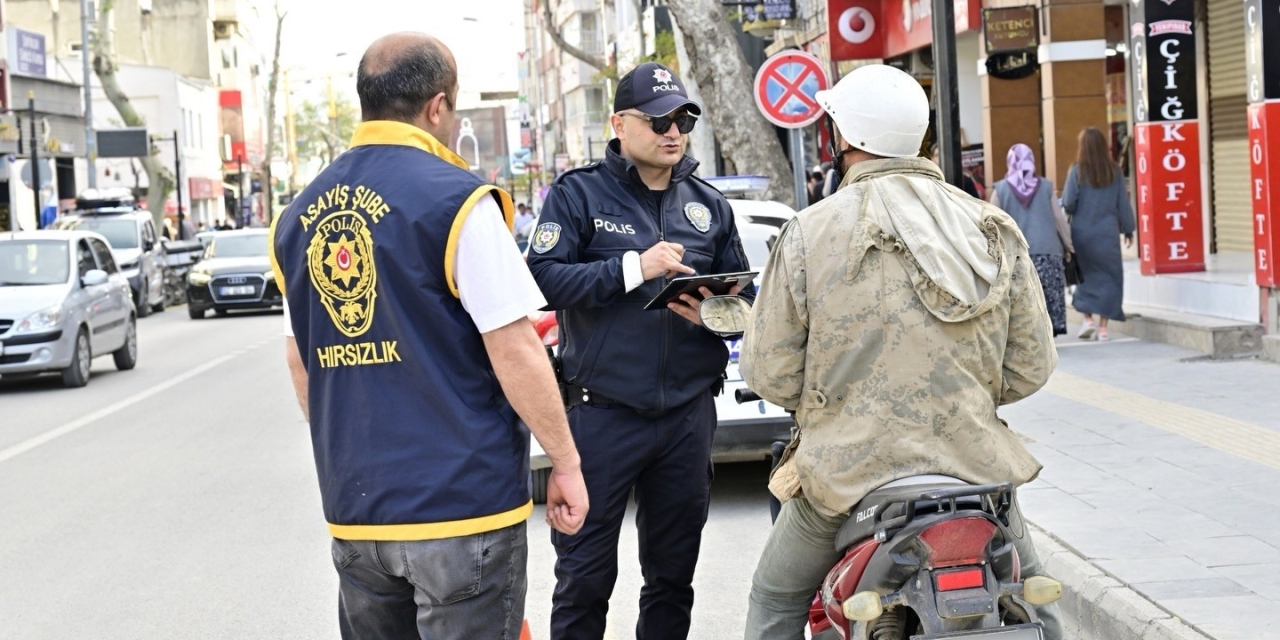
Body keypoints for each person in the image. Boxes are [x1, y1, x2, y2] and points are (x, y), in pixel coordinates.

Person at [269, 32, 588, 639]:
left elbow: (300, 363)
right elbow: (514, 346)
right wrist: (566, 464)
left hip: (358, 515)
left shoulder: (296, 219)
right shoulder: (457, 202)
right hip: (461, 510)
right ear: (438, 107)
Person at [739, 64, 1063, 640]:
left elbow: (769, 372)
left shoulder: (810, 233)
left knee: (773, 598)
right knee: (1037, 607)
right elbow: (1032, 366)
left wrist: (829, 401)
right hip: (976, 475)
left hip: (845, 479)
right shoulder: (992, 225)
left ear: (843, 139)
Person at [525, 61, 755, 640]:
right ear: (620, 125)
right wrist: (633, 268)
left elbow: (742, 300)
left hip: (686, 416)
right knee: (583, 580)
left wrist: (717, 313)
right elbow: (542, 281)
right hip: (601, 415)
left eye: (682, 119)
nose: (672, 131)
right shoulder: (578, 194)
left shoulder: (709, 204)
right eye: (656, 121)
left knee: (673, 579)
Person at [990, 143, 1075, 336]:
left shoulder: (1001, 189)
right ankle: (1049, 335)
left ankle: (1028, 336)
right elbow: (1059, 219)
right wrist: (1069, 245)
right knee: (1048, 296)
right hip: (1048, 252)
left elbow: (991, 223)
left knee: (1023, 299)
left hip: (1017, 256)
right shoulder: (1046, 187)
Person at [1063, 127, 1136, 342]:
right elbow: (1122, 204)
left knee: (1085, 278)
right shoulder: (1114, 171)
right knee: (1110, 279)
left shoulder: (1076, 171)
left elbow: (1068, 202)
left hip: (1082, 234)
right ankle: (1104, 328)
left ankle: (1088, 320)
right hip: (1107, 236)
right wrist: (1129, 229)